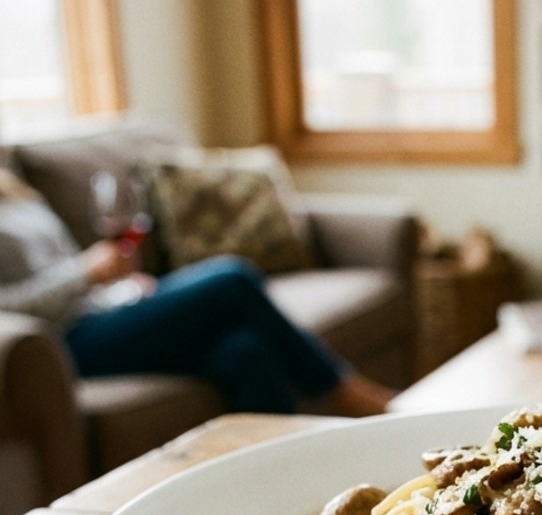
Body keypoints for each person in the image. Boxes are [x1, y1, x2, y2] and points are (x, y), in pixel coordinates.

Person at [0, 169, 397, 417]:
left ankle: (286, 476)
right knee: (231, 279)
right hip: (63, 342)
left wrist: (119, 287)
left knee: (242, 350)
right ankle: (340, 389)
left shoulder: (17, 191)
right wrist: (84, 273)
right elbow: (10, 306)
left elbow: (60, 271)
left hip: (102, 311)